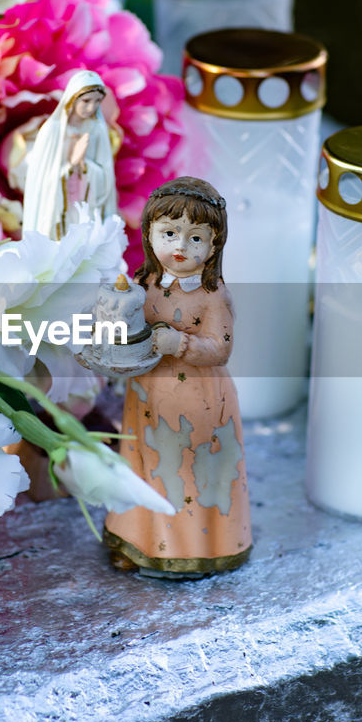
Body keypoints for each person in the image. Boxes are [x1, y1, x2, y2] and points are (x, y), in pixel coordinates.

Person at [103, 177, 252, 577]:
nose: (181, 247)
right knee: (142, 465)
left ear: (214, 244)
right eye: (169, 233)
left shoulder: (211, 294)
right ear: (149, 234)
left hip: (198, 401)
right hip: (148, 394)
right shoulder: (145, 283)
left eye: (195, 238)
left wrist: (179, 345)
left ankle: (194, 549)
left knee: (186, 470)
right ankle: (137, 541)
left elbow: (220, 347)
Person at [20, 70, 117, 239]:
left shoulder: (97, 130)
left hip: (86, 204)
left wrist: (83, 165)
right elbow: (42, 182)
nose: (91, 107)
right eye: (86, 101)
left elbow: (106, 177)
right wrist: (71, 164)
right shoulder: (53, 130)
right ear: (73, 99)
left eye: (97, 101)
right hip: (56, 210)